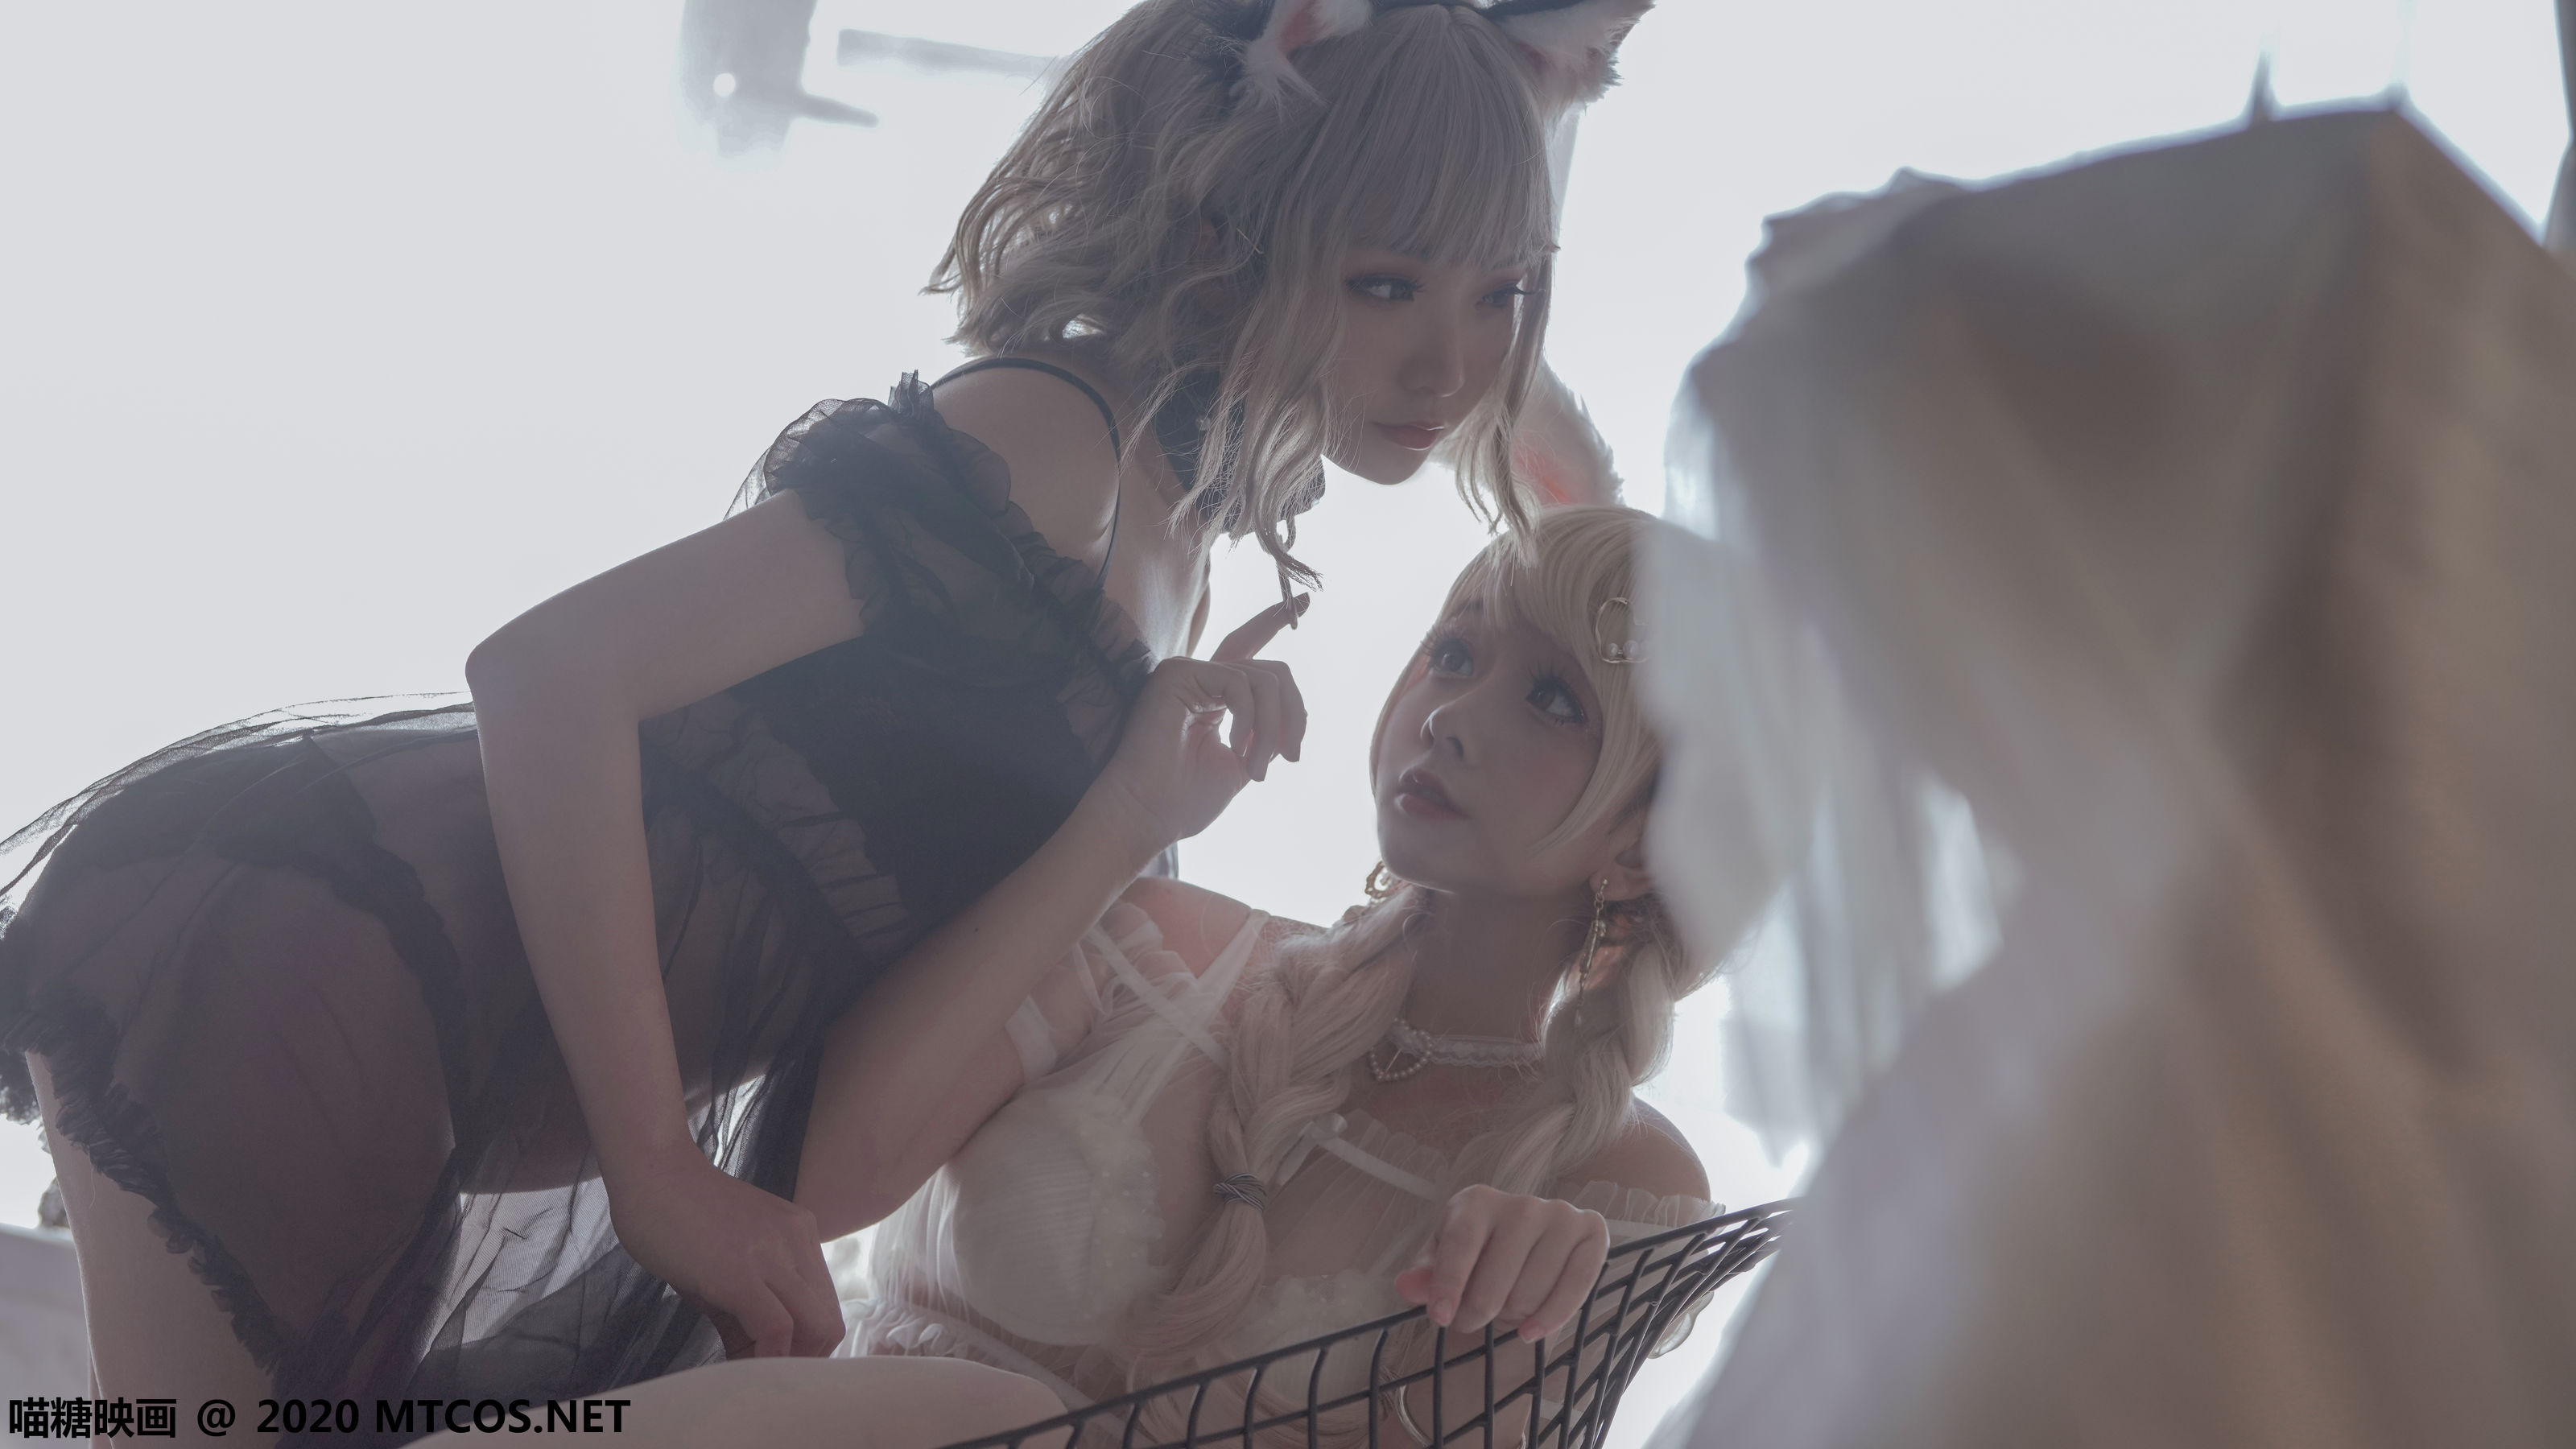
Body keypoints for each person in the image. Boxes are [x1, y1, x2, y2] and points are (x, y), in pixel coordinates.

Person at [0, 0, 1653, 1430]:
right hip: (329, 943)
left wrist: (1141, 815)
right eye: (1387, 285)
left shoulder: (1171, 531)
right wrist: (660, 1173)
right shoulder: (1056, 443)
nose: (1450, 364)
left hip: (423, 1017)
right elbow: (549, 674)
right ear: (1232, 236)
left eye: (1503, 294)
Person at [416, 502, 1718, 1448]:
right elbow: (811, 1188)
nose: (1449, 714)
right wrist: (1123, 816)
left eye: (1555, 701)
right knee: (974, 1407)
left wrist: (1511, 1329)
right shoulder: (1164, 942)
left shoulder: (1617, 1188)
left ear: (1640, 841)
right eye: (1455, 653)